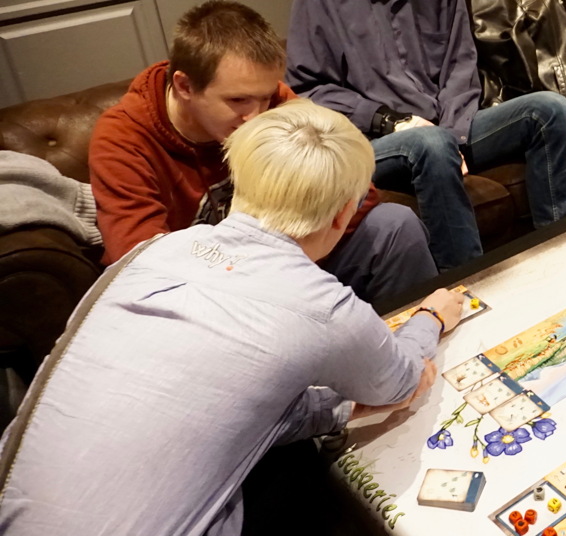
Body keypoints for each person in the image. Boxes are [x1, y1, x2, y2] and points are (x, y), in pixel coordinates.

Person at [0, 99, 466, 535]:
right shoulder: (322, 304)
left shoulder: (152, 251)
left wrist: (334, 408)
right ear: (344, 213)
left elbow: (219, 403)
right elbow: (403, 382)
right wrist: (431, 316)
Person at [287, 0, 566, 272]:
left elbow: (461, 62)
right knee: (429, 143)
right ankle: (465, 282)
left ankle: (563, 253)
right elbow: (309, 89)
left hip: (448, 129)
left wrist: (454, 135)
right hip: (376, 144)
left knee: (548, 110)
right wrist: (389, 120)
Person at [89, 0, 437, 306]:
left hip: (288, 267)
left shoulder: (274, 101)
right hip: (210, 294)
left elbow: (353, 192)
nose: (256, 116)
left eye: (265, 97)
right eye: (237, 100)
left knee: (395, 225)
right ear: (184, 86)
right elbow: (143, 267)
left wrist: (294, 265)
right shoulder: (123, 139)